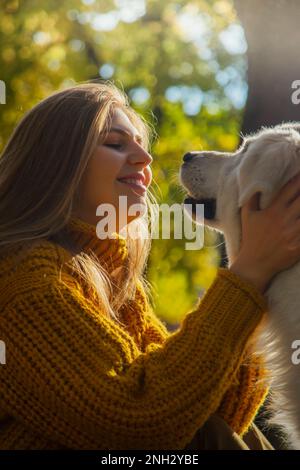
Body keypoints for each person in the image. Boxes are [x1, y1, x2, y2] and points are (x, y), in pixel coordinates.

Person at [1, 82, 300, 450]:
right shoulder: (26, 283)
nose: (144, 157)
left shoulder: (119, 287)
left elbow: (210, 413)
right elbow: (141, 421)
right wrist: (248, 273)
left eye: (141, 143)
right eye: (115, 143)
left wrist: (258, 269)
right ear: (55, 164)